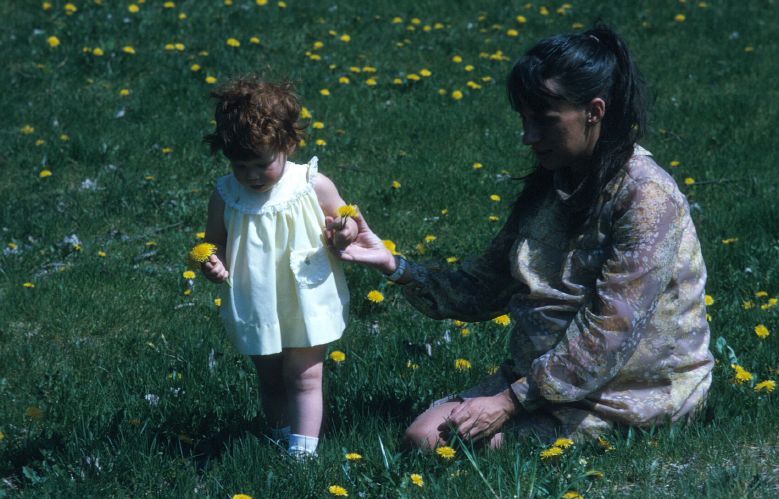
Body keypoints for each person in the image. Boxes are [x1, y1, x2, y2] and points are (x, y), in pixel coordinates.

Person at [327, 25, 714, 449]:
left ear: (594, 111)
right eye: (524, 120)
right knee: (423, 437)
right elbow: (484, 288)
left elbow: (610, 333)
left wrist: (511, 401)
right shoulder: (552, 183)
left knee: (439, 446)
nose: (529, 137)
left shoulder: (647, 197)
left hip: (630, 390)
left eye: (545, 121)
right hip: (540, 381)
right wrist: (394, 265)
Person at [200, 76, 356, 457]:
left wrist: (343, 232)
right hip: (256, 299)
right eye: (241, 166)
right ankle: (279, 436)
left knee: (304, 376)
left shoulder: (310, 184)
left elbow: (348, 220)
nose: (251, 175)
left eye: (261, 164)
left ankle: (303, 454)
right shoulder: (226, 194)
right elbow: (213, 241)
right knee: (270, 377)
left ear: (287, 144)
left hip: (306, 293)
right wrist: (212, 261)